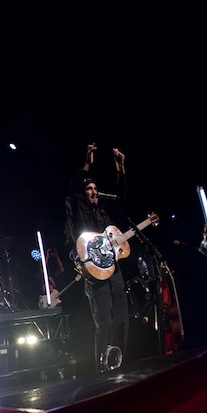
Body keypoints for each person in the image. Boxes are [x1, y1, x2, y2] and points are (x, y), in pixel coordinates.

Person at [64, 143, 129, 371]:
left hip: (115, 272)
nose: (93, 191)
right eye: (89, 189)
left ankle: (120, 364)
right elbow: (73, 193)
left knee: (121, 320)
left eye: (95, 188)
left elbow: (121, 198)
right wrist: (86, 164)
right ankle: (102, 367)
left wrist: (120, 169)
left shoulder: (104, 213)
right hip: (95, 274)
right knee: (106, 322)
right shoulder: (80, 215)